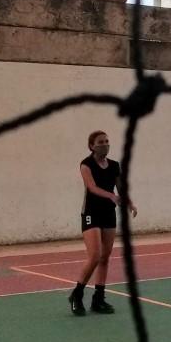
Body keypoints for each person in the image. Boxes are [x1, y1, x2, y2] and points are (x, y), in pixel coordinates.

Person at [69, 130, 136, 316]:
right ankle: (77, 294)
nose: (105, 144)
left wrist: (128, 202)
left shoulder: (114, 166)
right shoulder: (86, 165)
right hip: (91, 213)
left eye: (107, 141)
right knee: (95, 255)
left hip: (108, 213)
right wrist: (111, 196)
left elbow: (120, 187)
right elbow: (92, 187)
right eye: (101, 142)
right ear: (92, 146)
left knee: (105, 257)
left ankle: (99, 299)